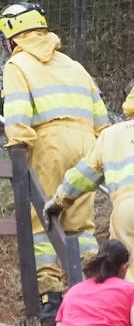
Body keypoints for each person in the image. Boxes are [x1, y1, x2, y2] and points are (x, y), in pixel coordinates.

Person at [0, 1, 109, 326]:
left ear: (11, 37)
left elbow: (18, 116)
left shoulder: (18, 65)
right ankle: (93, 293)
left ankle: (50, 302)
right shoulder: (75, 66)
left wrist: (18, 152)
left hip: (48, 146)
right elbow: (102, 119)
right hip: (86, 145)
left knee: (42, 221)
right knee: (81, 227)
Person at [47, 84, 134, 266]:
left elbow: (81, 176)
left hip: (126, 210)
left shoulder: (110, 135)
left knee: (127, 270)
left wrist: (58, 201)